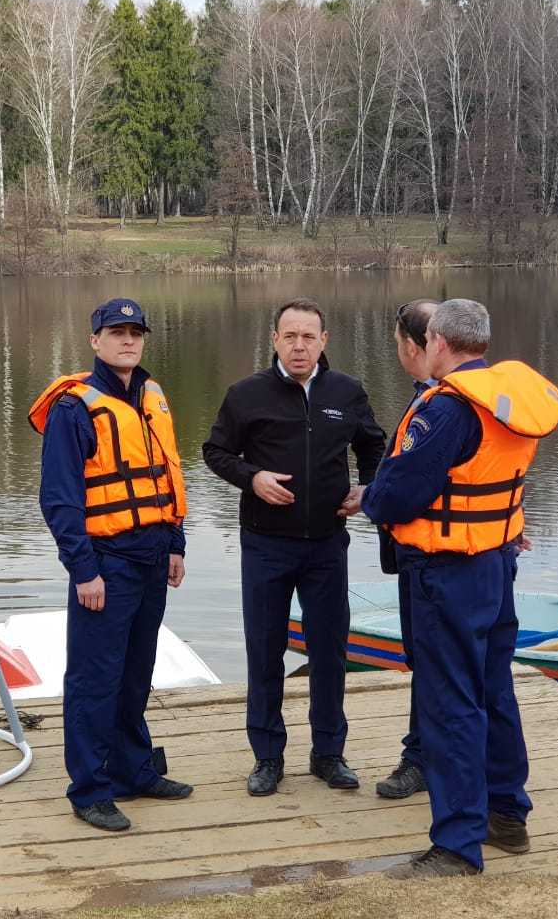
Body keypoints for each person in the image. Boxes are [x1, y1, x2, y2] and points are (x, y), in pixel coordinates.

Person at [344, 298, 558, 877]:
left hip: (445, 575)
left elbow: (394, 497)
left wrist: (373, 496)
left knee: (450, 706)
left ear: (437, 341)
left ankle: (457, 846)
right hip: (495, 563)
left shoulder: (445, 410)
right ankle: (507, 816)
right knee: (494, 692)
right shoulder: (510, 401)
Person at [203, 297, 386, 798]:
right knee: (265, 651)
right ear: (275, 340)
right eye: (291, 336)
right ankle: (267, 757)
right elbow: (215, 452)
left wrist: (368, 489)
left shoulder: (346, 392)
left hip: (327, 545)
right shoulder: (247, 394)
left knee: (330, 652)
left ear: (324, 341)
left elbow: (374, 444)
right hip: (266, 544)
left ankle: (329, 753)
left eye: (309, 336)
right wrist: (252, 477)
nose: (300, 345)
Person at [29, 297, 192, 833]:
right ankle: (90, 788)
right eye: (116, 332)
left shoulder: (151, 397)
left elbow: (166, 478)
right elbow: (59, 498)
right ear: (95, 340)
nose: (128, 341)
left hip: (151, 555)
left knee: (136, 672)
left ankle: (133, 769)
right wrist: (83, 570)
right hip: (106, 563)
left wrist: (176, 542)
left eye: (136, 333)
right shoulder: (75, 407)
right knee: (94, 679)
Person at [373, 298, 438, 803]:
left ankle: (422, 759)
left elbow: (405, 487)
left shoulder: (442, 406)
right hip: (468, 554)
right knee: (440, 663)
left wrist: (369, 498)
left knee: (434, 662)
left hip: (437, 561)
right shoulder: (462, 397)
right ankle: (426, 755)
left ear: (413, 347)